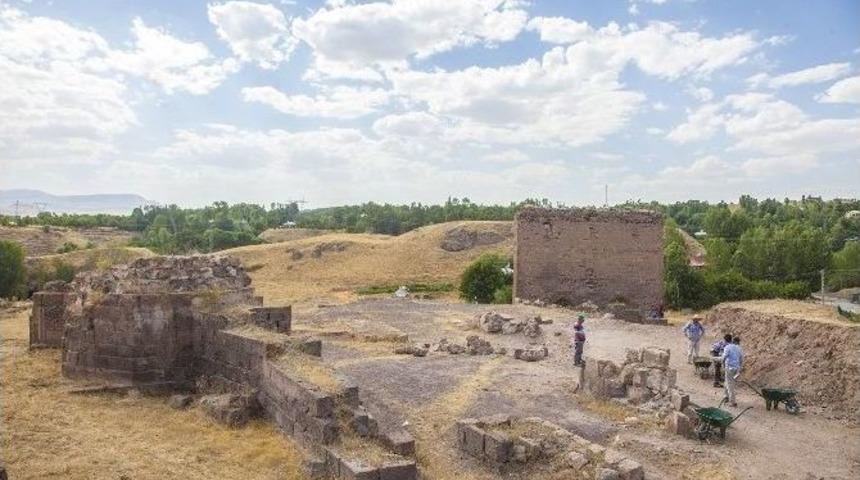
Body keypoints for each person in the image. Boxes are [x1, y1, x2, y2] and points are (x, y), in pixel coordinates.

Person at [721, 336, 744, 407]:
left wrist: (723, 365)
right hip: (736, 368)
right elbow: (741, 359)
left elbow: (724, 357)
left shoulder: (727, 347)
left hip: (729, 368)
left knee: (730, 385)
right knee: (727, 382)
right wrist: (739, 368)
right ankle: (726, 396)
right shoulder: (739, 348)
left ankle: (732, 402)